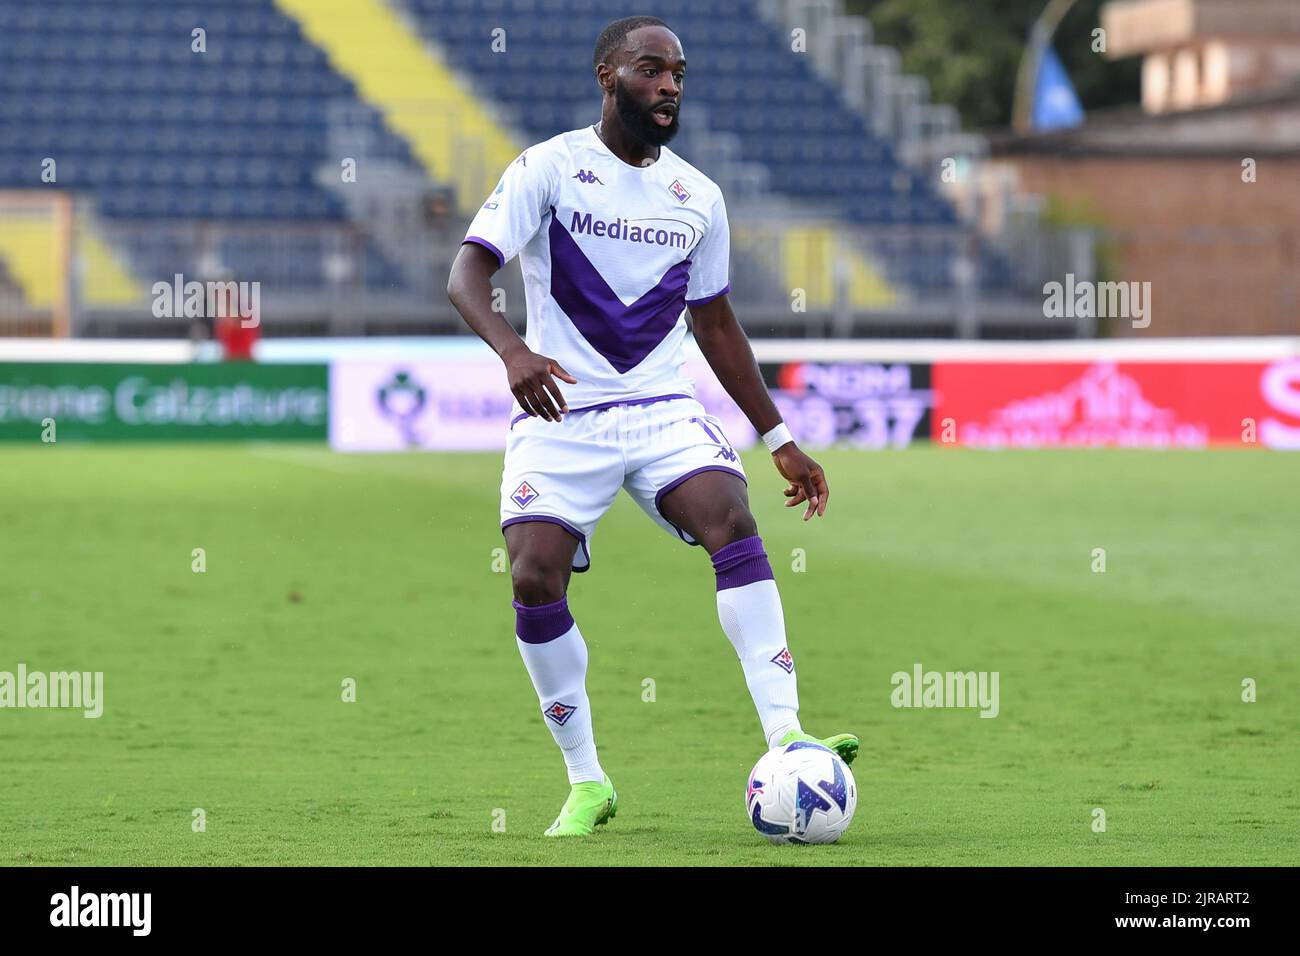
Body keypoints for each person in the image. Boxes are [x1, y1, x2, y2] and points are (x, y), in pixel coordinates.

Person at [446, 16, 857, 837]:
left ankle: (787, 736)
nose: (669, 85)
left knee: (730, 520)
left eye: (678, 73)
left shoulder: (698, 196)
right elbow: (466, 273)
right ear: (608, 75)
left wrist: (780, 439)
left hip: (662, 410)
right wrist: (512, 352)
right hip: (560, 410)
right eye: (650, 70)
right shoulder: (549, 168)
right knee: (532, 578)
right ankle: (588, 781)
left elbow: (716, 325)